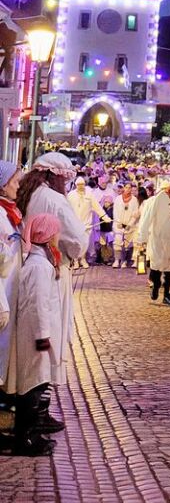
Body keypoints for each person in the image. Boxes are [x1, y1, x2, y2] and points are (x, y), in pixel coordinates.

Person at [16, 152, 88, 396]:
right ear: (54, 176)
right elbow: (77, 240)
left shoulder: (29, 193)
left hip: (28, 262)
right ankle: (36, 411)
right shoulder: (54, 200)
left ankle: (35, 406)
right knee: (50, 336)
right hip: (52, 267)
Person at [13, 213, 66, 456]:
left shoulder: (42, 262)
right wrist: (43, 336)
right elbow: (37, 304)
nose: (58, 236)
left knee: (39, 381)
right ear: (46, 235)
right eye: (55, 232)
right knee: (33, 384)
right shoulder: (38, 266)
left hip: (39, 335)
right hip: (36, 336)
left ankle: (32, 434)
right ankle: (26, 437)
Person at [136, 174, 170, 305]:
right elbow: (148, 217)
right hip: (158, 239)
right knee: (156, 266)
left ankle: (168, 295)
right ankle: (155, 285)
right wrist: (142, 236)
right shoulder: (160, 197)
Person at [0, 161, 23, 399]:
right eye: (15, 182)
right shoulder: (0, 213)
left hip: (9, 287)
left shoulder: (9, 210)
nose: (18, 187)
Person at [67, 176, 109, 268]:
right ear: (75, 185)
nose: (81, 186)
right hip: (75, 224)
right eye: (79, 185)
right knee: (75, 243)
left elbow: (97, 206)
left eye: (82, 184)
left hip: (87, 224)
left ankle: (82, 259)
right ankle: (75, 260)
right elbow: (66, 209)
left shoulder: (89, 194)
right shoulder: (70, 195)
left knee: (84, 243)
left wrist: (104, 216)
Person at [112, 182, 140, 269]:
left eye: (129, 188)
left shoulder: (134, 200)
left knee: (128, 244)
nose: (128, 189)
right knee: (118, 242)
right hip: (119, 224)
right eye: (126, 187)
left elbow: (135, 214)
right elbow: (115, 212)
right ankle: (117, 260)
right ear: (123, 188)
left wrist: (130, 224)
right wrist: (118, 222)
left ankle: (126, 261)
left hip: (129, 225)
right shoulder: (118, 199)